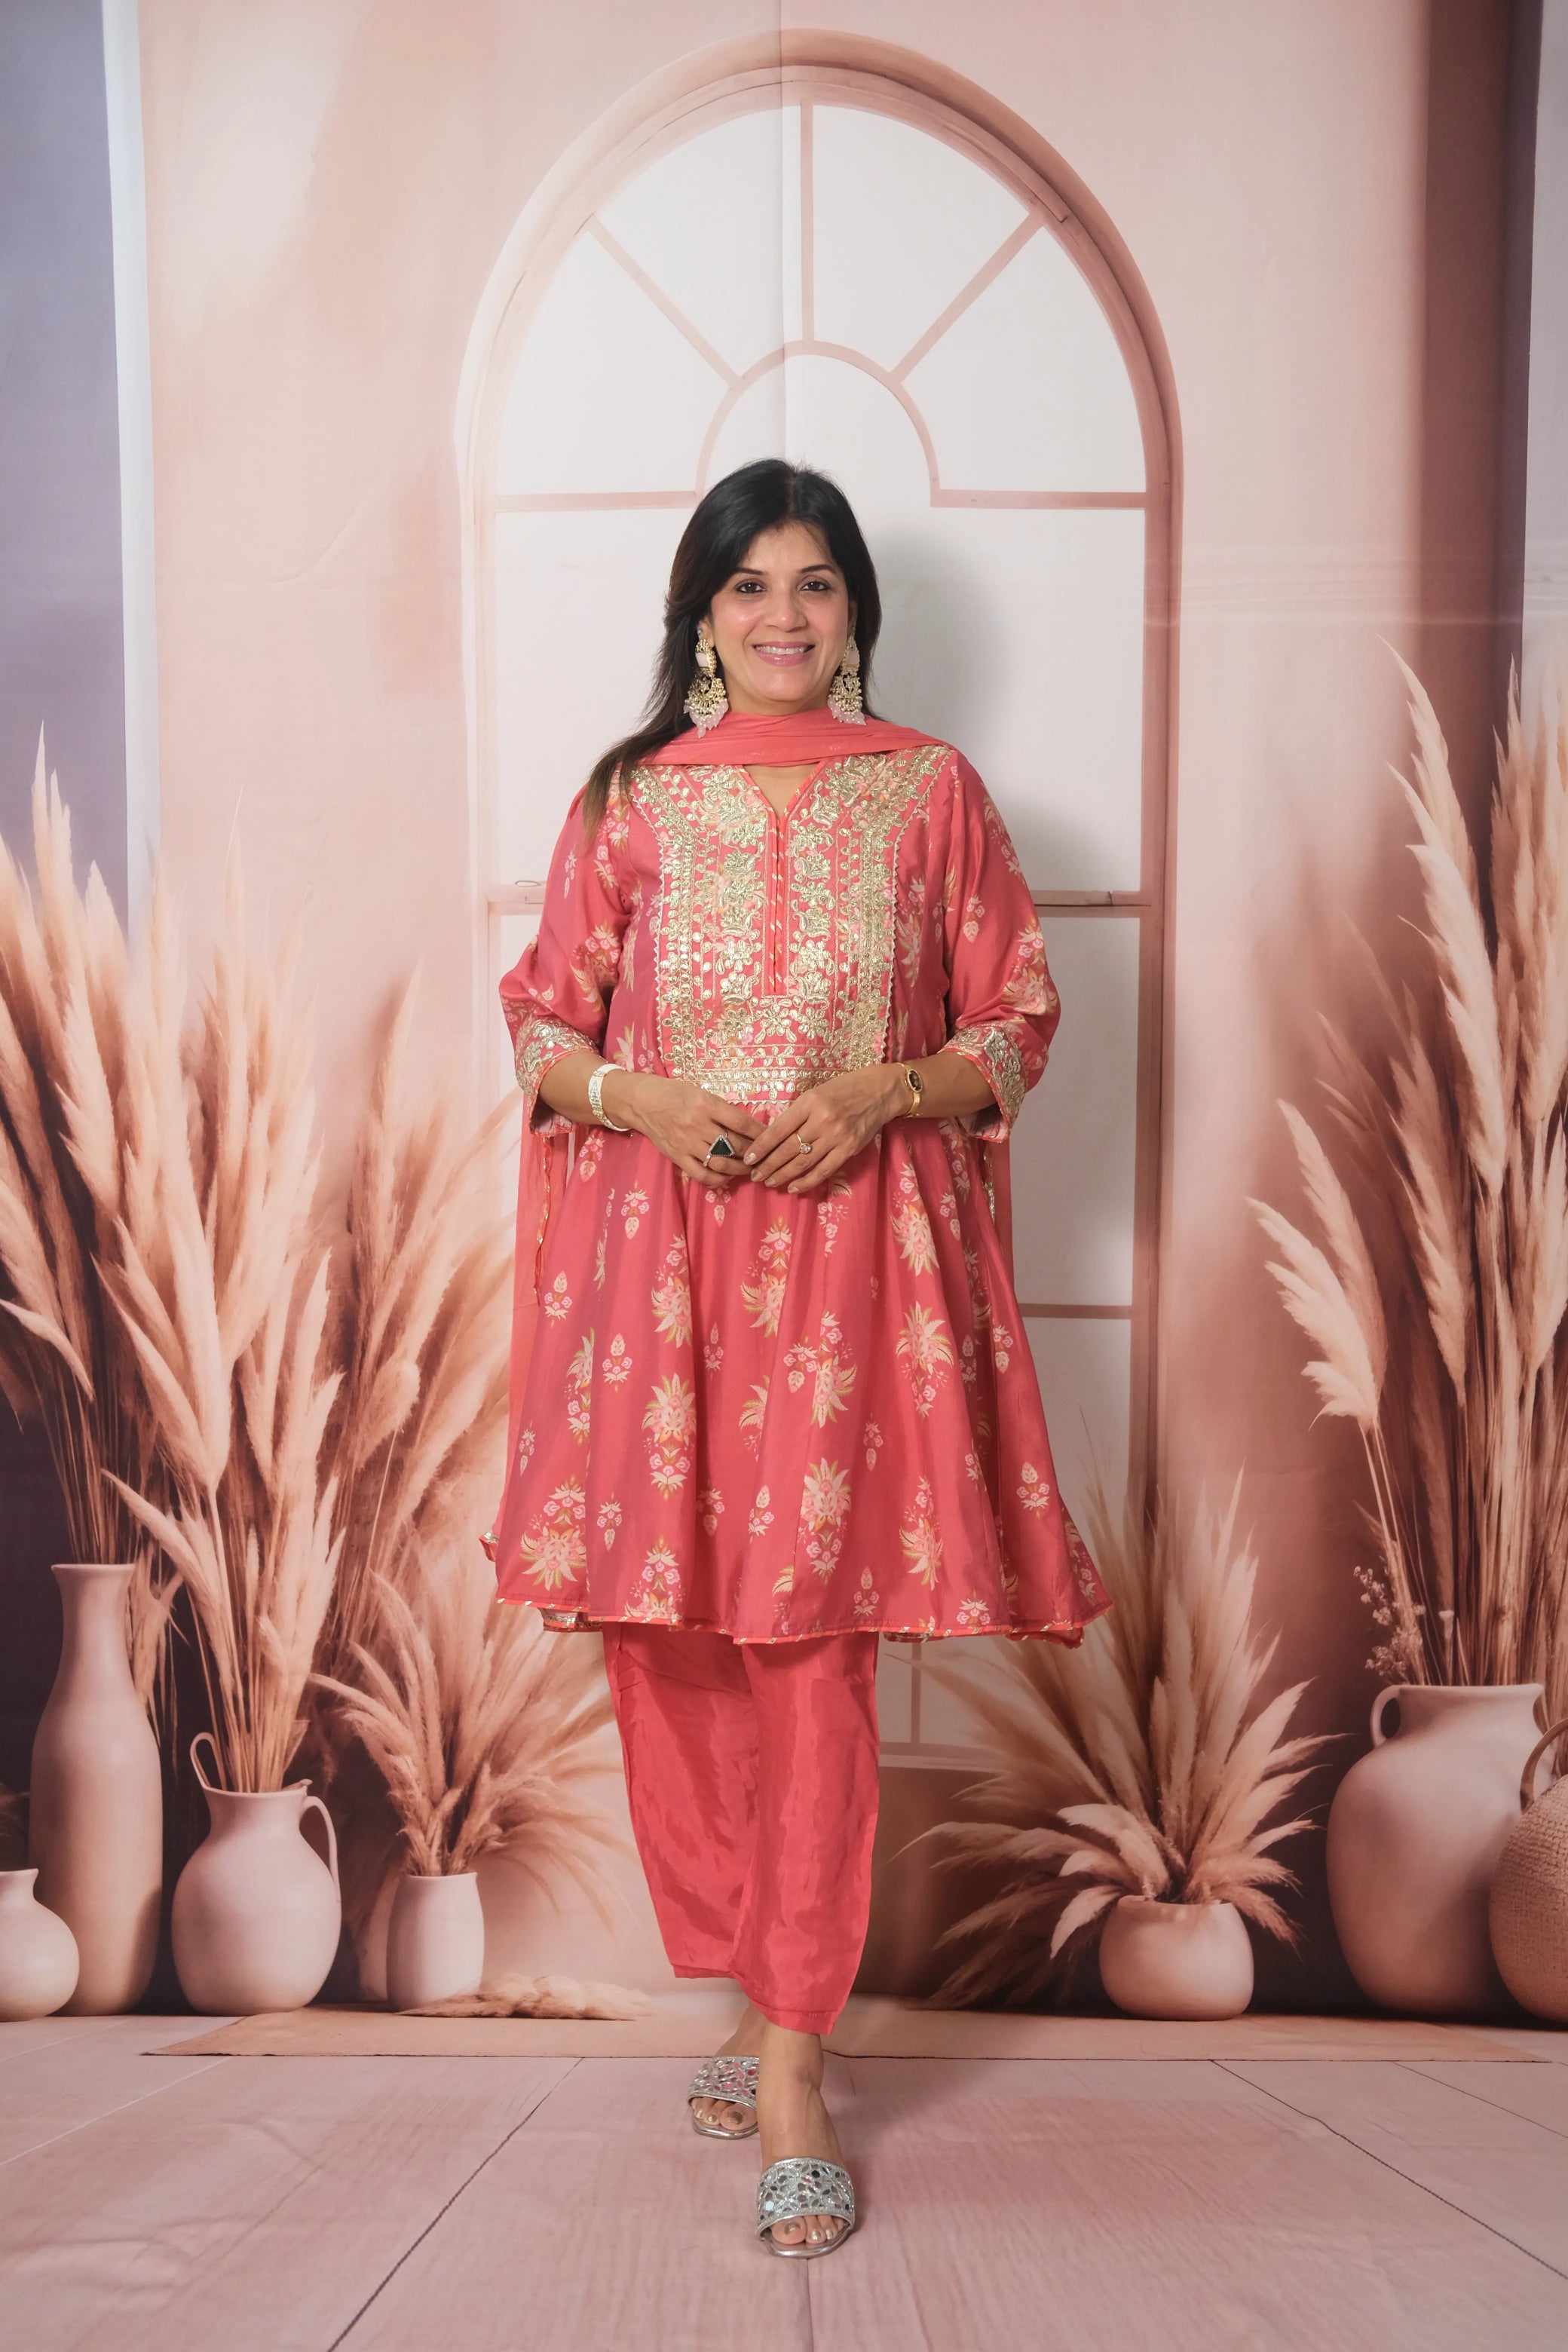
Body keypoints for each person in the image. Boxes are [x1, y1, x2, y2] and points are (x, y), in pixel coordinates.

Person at [491, 457, 1110, 2257]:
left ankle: (788, 2066)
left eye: (815, 584)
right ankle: (760, 1982)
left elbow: (1015, 1018)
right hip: (663, 1275)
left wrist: (881, 1091)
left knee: (813, 1648)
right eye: (748, 585)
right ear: (699, 615)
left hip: (851, 1283)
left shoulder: (926, 795)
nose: (782, 615)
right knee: (673, 1646)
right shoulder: (629, 801)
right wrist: (639, 1094)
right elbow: (540, 1017)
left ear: (854, 611)